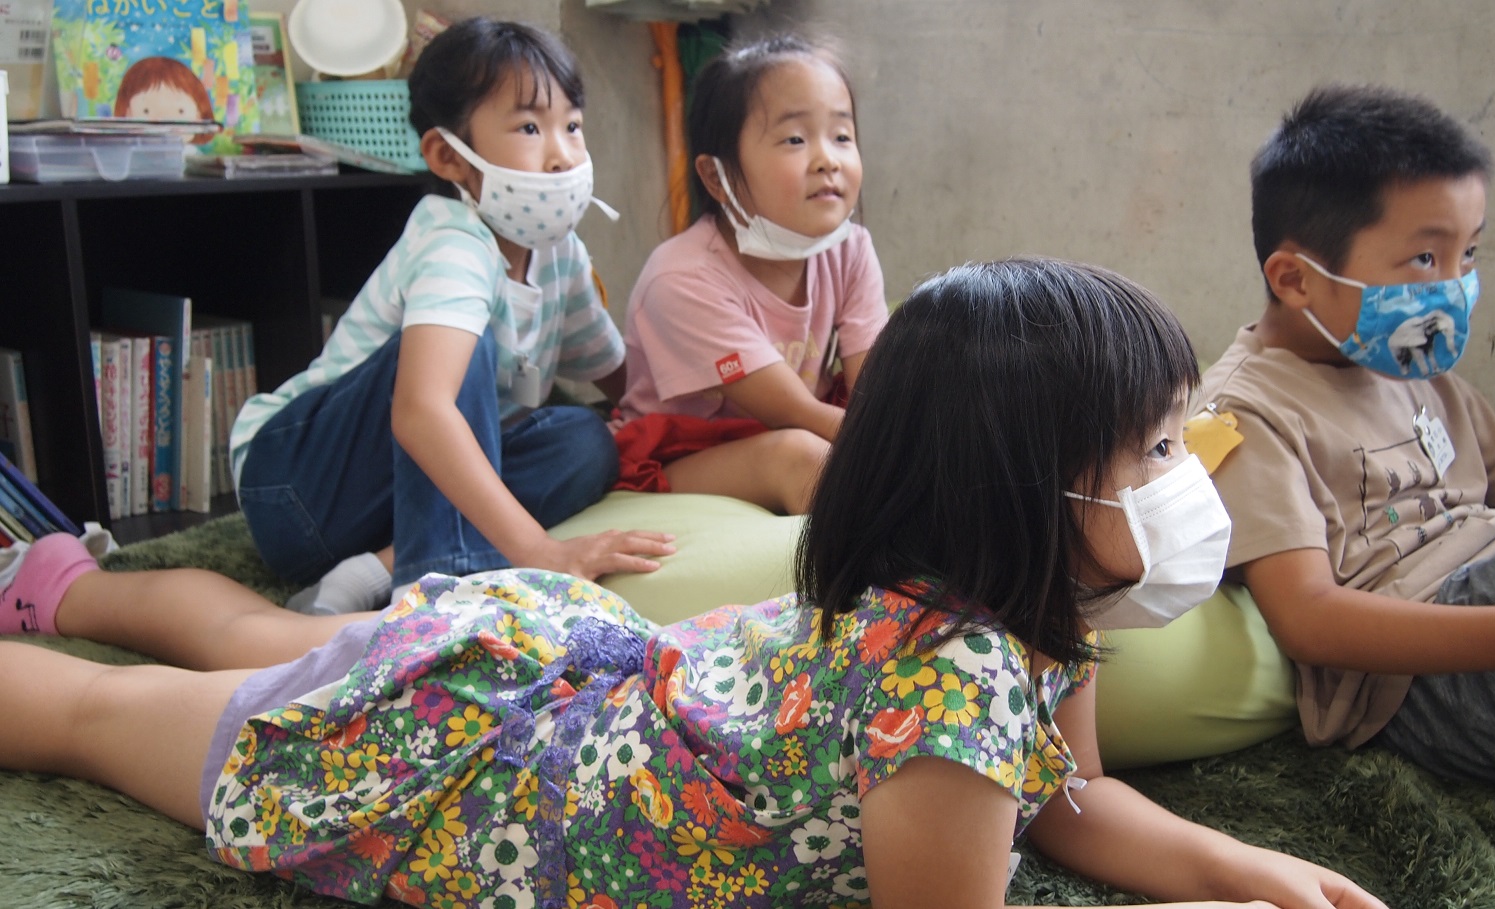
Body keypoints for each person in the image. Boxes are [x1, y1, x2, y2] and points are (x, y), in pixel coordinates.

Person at [0, 258, 1385, 909]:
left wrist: (1240, 866)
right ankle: (57, 602)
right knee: (102, 718)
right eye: (1155, 449)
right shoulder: (953, 680)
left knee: (266, 643)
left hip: (544, 672)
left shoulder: (1028, 610)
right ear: (1022, 493)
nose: (1186, 476)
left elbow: (1070, 802)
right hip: (489, 770)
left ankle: (62, 582)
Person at [1201, 83, 1495, 785]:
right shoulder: (1244, 413)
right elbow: (1308, 619)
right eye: (1425, 260)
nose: (1454, 287)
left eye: (1468, 254)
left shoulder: (1418, 370)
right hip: (1434, 683)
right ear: (1295, 278)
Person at [228, 18, 674, 617]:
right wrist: (541, 552)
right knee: (467, 354)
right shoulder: (453, 241)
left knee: (585, 441)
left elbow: (623, 381)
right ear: (447, 155)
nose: (562, 155)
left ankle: (370, 572)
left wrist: (708, 423)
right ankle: (438, 591)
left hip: (392, 503)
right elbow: (422, 412)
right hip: (297, 490)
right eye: (529, 127)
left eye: (571, 125)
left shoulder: (561, 254)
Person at [613, 35, 889, 515]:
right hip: (689, 454)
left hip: (803, 428)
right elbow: (794, 412)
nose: (828, 159)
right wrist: (904, 452)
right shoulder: (681, 277)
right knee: (802, 458)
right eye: (795, 139)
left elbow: (877, 388)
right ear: (716, 177)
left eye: (842, 136)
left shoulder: (851, 248)